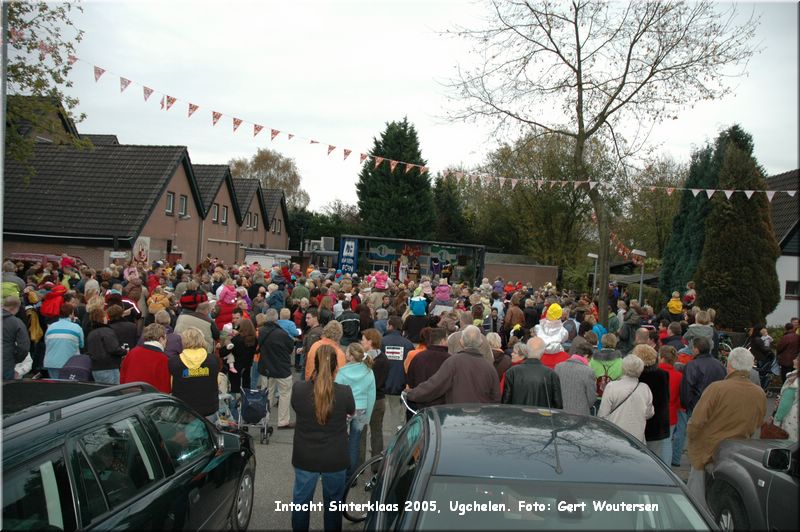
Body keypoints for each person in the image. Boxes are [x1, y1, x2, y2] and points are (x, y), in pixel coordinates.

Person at [686, 347, 767, 507]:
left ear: (730, 365)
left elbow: (696, 421)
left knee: (697, 502)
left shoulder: (716, 388)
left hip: (707, 452)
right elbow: (758, 422)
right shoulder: (759, 393)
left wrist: (692, 439)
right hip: (738, 452)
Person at [290, 344, 354, 531]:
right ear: (336, 367)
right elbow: (351, 410)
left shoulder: (299, 389)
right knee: (333, 504)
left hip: (305, 455)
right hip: (335, 457)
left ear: (315, 364)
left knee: (301, 501)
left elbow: (297, 407)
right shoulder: (344, 392)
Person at [405, 325, 500, 405]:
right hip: (480, 418)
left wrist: (411, 394)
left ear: (461, 342)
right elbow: (496, 398)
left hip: (457, 416)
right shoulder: (489, 367)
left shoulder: (453, 362)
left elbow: (435, 385)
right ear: (481, 342)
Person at [334, 342, 376, 479]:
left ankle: (338, 471)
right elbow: (372, 396)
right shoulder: (369, 372)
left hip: (345, 409)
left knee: (339, 440)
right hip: (361, 410)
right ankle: (352, 476)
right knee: (354, 443)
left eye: (347, 352)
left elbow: (336, 392)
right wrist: (367, 418)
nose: (345, 354)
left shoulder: (342, 371)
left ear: (351, 357)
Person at [598, 355, 654, 442]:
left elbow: (602, 415)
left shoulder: (611, 387)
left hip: (615, 435)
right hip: (637, 438)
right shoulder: (645, 388)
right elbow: (649, 414)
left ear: (623, 368)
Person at [169, 327, 219, 422]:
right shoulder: (213, 360)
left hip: (184, 410)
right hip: (209, 409)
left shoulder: (173, 362)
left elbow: (171, 386)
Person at [632, 344, 671, 465]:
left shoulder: (636, 376)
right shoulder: (663, 375)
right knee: (654, 459)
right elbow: (666, 397)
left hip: (638, 420)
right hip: (658, 422)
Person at [258, 308, 295, 429]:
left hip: (266, 368)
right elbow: (290, 348)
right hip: (281, 368)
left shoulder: (261, 331)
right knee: (285, 394)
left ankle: (264, 418)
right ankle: (283, 421)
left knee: (267, 394)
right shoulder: (282, 334)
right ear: (277, 318)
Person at [502, 336, 563, 408]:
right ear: (543, 352)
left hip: (518, 416)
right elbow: (558, 405)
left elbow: (505, 403)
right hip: (542, 417)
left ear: (527, 351)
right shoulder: (552, 375)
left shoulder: (512, 372)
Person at [359, 328, 388, 472]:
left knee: (360, 433)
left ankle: (359, 467)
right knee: (377, 432)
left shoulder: (363, 360)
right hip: (379, 400)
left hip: (364, 400)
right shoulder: (384, 359)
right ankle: (377, 467)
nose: (361, 342)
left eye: (363, 339)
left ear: (370, 342)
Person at [406, 327, 451, 412]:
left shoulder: (418, 357)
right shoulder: (450, 360)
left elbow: (410, 380)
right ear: (442, 341)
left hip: (420, 405)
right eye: (447, 339)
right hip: (442, 407)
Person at [120, 323, 171, 393]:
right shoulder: (162, 359)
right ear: (161, 339)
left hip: (129, 395)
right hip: (149, 398)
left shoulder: (133, 352)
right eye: (166, 338)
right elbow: (164, 387)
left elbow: (123, 375)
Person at [86, 307, 128, 384]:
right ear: (102, 318)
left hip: (96, 367)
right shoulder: (107, 331)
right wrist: (125, 351)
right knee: (113, 392)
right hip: (109, 367)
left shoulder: (91, 333)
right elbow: (113, 349)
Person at [658, 345, 685, 467]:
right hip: (671, 413)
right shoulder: (679, 376)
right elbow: (680, 398)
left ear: (661, 357)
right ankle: (666, 469)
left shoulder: (654, 372)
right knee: (667, 442)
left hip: (655, 412)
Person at [43, 302, 85, 379]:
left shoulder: (51, 327)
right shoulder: (77, 328)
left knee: (55, 386)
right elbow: (82, 345)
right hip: (70, 363)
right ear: (71, 313)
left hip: (51, 362)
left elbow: (46, 342)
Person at [554, 344, 595, 415]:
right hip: (580, 414)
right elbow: (591, 398)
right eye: (589, 359)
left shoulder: (558, 366)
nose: (589, 362)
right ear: (586, 356)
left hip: (560, 412)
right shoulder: (588, 371)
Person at [3, 295, 30, 380]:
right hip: (5, 362)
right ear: (16, 308)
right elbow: (24, 347)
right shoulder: (17, 323)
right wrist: (15, 359)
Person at [773, 353, 799, 440]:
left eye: (797, 359)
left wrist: (776, 421)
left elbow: (785, 405)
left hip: (791, 422)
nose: (793, 360)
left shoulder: (793, 382)